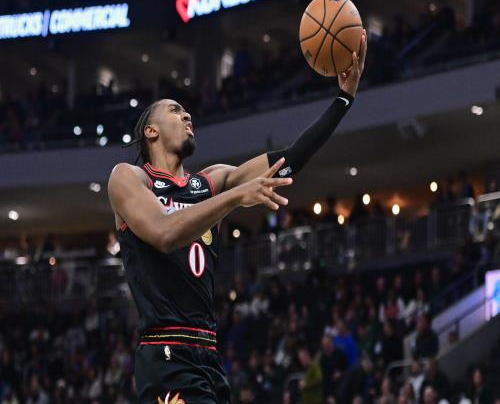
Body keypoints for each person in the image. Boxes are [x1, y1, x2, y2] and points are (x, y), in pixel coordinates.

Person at [107, 34, 368, 402]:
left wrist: (344, 99)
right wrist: (233, 198)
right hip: (164, 352)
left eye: (186, 111)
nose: (187, 116)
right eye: (175, 111)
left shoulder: (210, 182)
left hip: (208, 353)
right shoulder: (130, 178)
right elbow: (164, 233)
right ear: (151, 131)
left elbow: (288, 160)